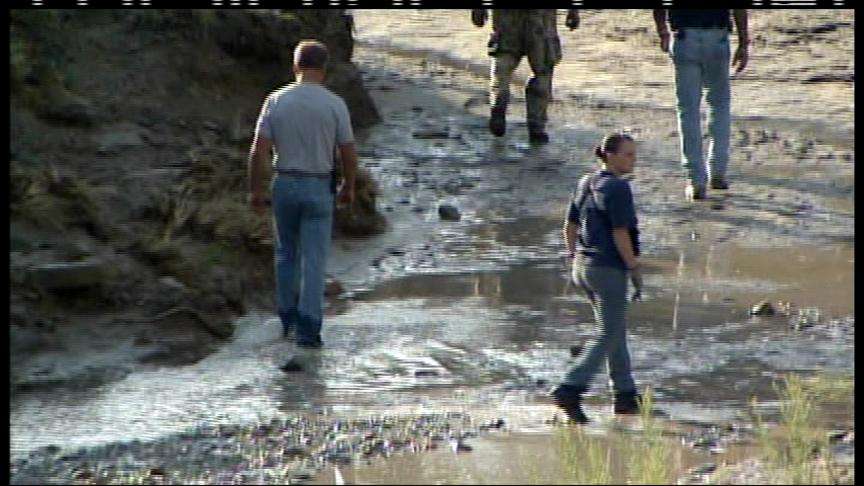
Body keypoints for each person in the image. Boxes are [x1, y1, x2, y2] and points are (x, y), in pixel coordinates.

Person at [248, 40, 357, 364]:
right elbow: (348, 151)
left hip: (285, 182)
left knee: (285, 254)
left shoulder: (276, 100)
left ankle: (287, 319)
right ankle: (309, 330)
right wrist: (348, 185)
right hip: (318, 184)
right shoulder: (335, 104)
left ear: (295, 66)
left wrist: (256, 190)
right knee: (315, 259)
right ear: (324, 70)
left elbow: (259, 151)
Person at [553, 132, 643, 423]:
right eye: (627, 154)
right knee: (607, 333)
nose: (633, 159)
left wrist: (572, 256)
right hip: (608, 270)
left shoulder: (586, 182)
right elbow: (621, 232)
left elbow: (569, 225)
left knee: (613, 329)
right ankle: (571, 387)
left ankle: (626, 396)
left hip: (583, 266)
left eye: (633, 153)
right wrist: (633, 266)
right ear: (610, 155)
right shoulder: (618, 189)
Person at [653, 9, 750, 201]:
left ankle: (695, 178)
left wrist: (662, 32)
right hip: (717, 36)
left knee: (688, 109)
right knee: (719, 104)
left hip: (685, 36)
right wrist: (743, 42)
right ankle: (718, 170)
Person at [471, 9, 580, 144]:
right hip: (540, 21)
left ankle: (498, 106)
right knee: (542, 73)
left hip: (507, 19)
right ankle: (536, 126)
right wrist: (573, 12)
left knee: (502, 67)